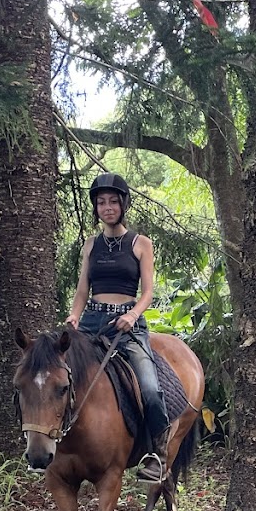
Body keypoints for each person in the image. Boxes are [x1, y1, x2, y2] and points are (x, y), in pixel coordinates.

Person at [66, 172, 172, 484]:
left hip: (128, 322)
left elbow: (149, 292)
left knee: (150, 387)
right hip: (91, 321)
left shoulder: (141, 244)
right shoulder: (90, 245)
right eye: (101, 202)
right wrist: (74, 316)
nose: (107, 207)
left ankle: (157, 453)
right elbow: (83, 288)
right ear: (96, 207)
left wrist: (132, 314)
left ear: (123, 204)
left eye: (113, 201)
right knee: (60, 376)